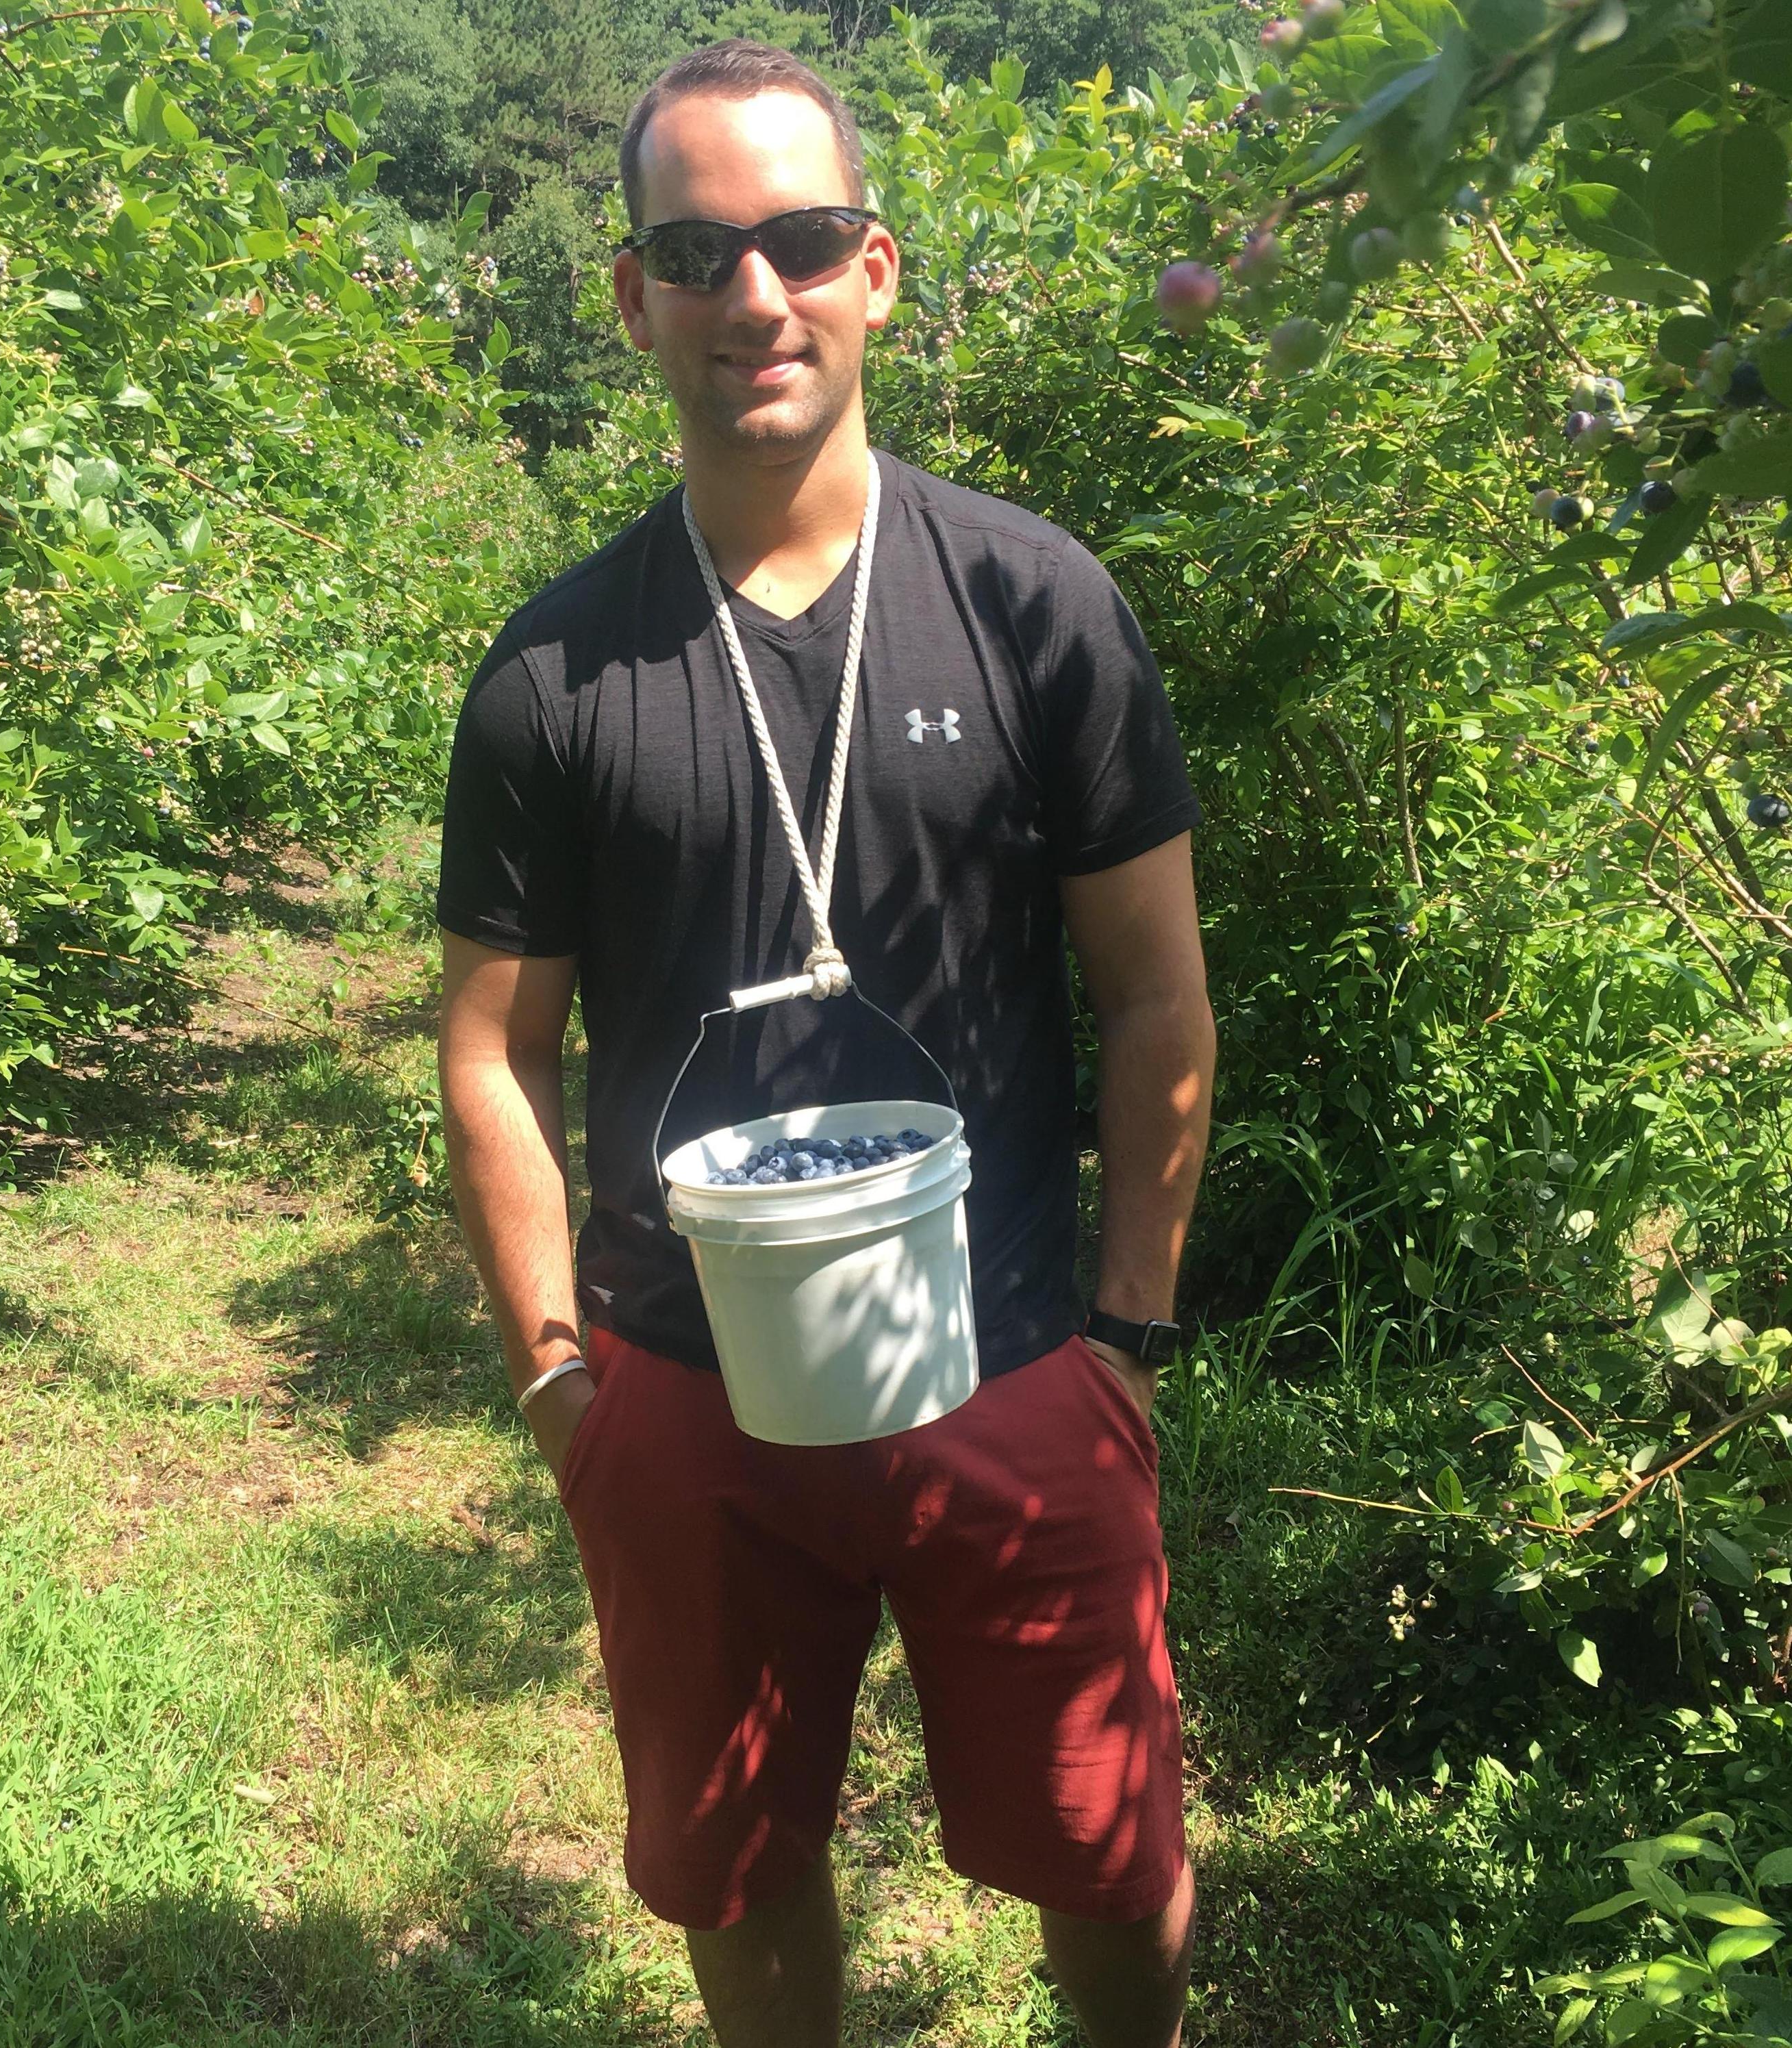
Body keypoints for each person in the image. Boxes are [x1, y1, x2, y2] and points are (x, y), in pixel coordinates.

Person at [436, 38, 1215, 2048]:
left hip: (1016, 1365)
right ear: (633, 298)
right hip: (683, 1395)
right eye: (698, 252)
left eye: (798, 239)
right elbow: (494, 1051)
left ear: (876, 271)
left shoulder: (1037, 607)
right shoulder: (553, 675)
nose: (753, 293)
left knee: (1108, 1857)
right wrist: (557, 1380)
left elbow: (1156, 993)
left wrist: (1126, 1336)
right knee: (736, 1864)